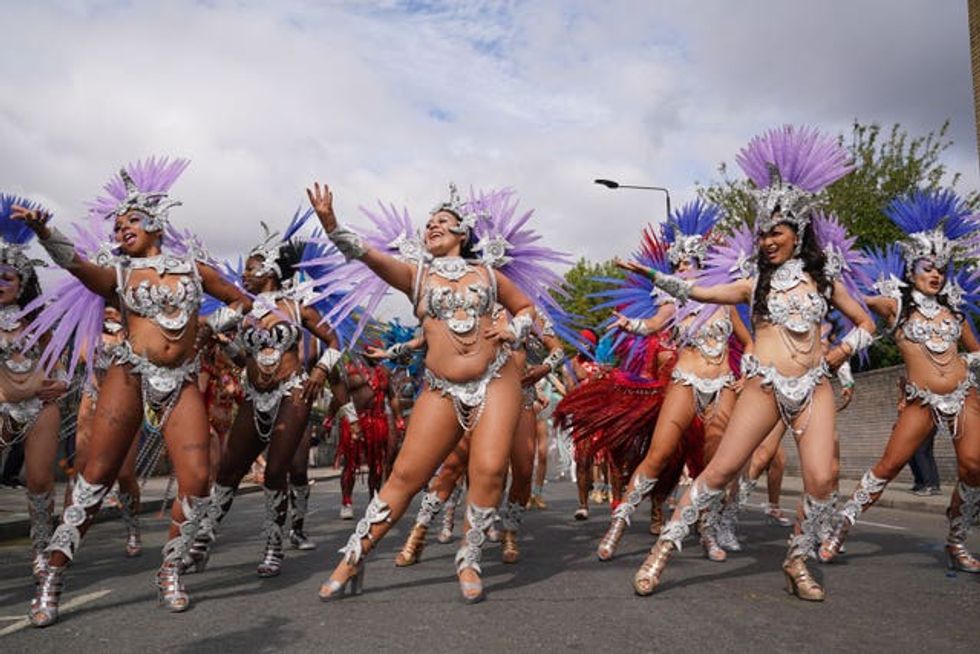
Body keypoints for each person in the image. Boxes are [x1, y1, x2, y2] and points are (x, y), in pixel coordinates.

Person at [626, 126, 875, 601]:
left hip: (814, 386)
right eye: (762, 233)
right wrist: (655, 275)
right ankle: (661, 551)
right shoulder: (752, 282)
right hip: (763, 385)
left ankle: (797, 561)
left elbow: (865, 324)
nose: (766, 240)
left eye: (776, 232)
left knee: (823, 478)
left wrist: (838, 354)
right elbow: (700, 292)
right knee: (720, 472)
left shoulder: (825, 281)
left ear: (797, 232)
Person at [14, 158, 251, 625]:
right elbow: (78, 266)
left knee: (197, 478)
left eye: (131, 222)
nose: (121, 230)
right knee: (97, 474)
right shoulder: (119, 274)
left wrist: (208, 324)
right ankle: (53, 574)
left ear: (156, 223)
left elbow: (241, 300)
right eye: (117, 226)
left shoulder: (192, 268)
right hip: (131, 373)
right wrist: (46, 233)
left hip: (180, 379)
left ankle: (170, 569)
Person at [307, 182, 561, 603]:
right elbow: (367, 256)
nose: (432, 227)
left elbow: (527, 309)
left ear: (463, 234)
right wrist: (333, 225)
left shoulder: (488, 275)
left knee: (490, 469)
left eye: (442, 222)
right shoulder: (417, 274)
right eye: (428, 224)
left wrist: (514, 329)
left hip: (496, 381)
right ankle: (353, 557)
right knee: (407, 476)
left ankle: (470, 557)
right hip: (442, 388)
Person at [185, 210, 355, 577]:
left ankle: (274, 545)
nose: (244, 273)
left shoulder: (297, 308)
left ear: (272, 270)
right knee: (229, 469)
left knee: (277, 470)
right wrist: (219, 343)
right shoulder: (242, 311)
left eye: (252, 267)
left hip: (292, 394)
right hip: (253, 394)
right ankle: (202, 542)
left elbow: (334, 340)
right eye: (246, 267)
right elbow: (242, 356)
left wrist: (323, 368)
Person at [819, 189, 980, 572]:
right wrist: (833, 275)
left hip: (963, 397)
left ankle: (956, 541)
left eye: (940, 268)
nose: (935, 274)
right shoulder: (897, 305)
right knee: (889, 465)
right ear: (911, 271)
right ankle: (841, 528)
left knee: (974, 467)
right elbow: (856, 300)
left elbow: (975, 351)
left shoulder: (955, 313)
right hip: (920, 401)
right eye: (927, 267)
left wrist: (971, 365)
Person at [0, 194, 66, 583]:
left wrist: (60, 385)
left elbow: (62, 370)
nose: (0, 284)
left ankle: (41, 550)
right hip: (2, 405)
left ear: (22, 281)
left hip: (40, 408)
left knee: (40, 481)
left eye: (6, 277)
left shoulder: (39, 322)